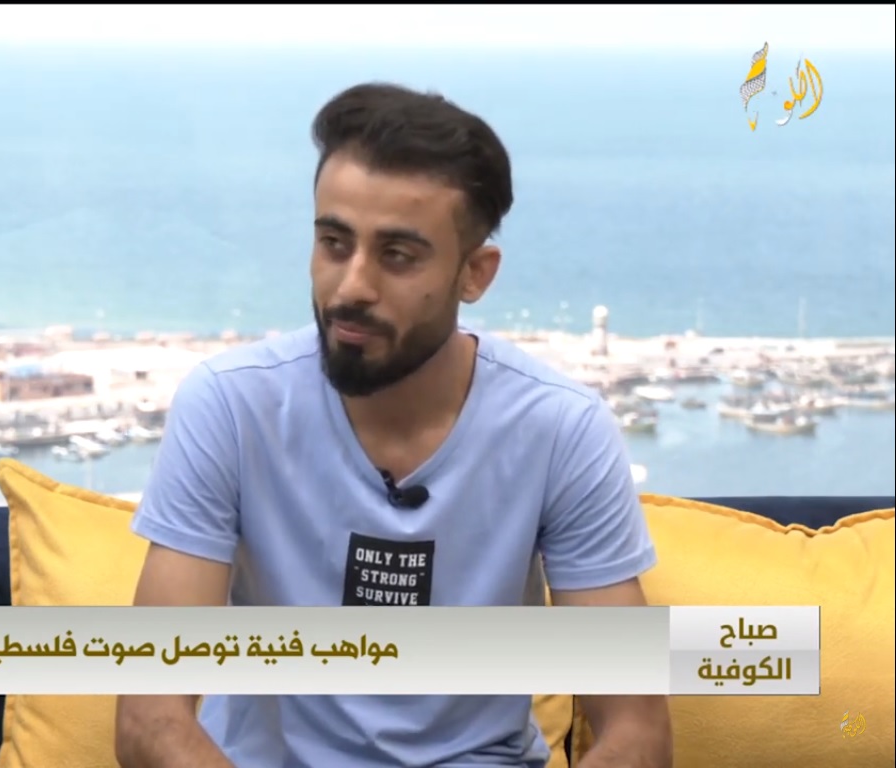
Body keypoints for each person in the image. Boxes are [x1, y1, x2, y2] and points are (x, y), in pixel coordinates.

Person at [113, 82, 672, 768]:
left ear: (475, 274)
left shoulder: (561, 430)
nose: (352, 286)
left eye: (397, 255)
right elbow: (150, 719)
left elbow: (636, 732)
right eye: (333, 243)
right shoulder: (230, 406)